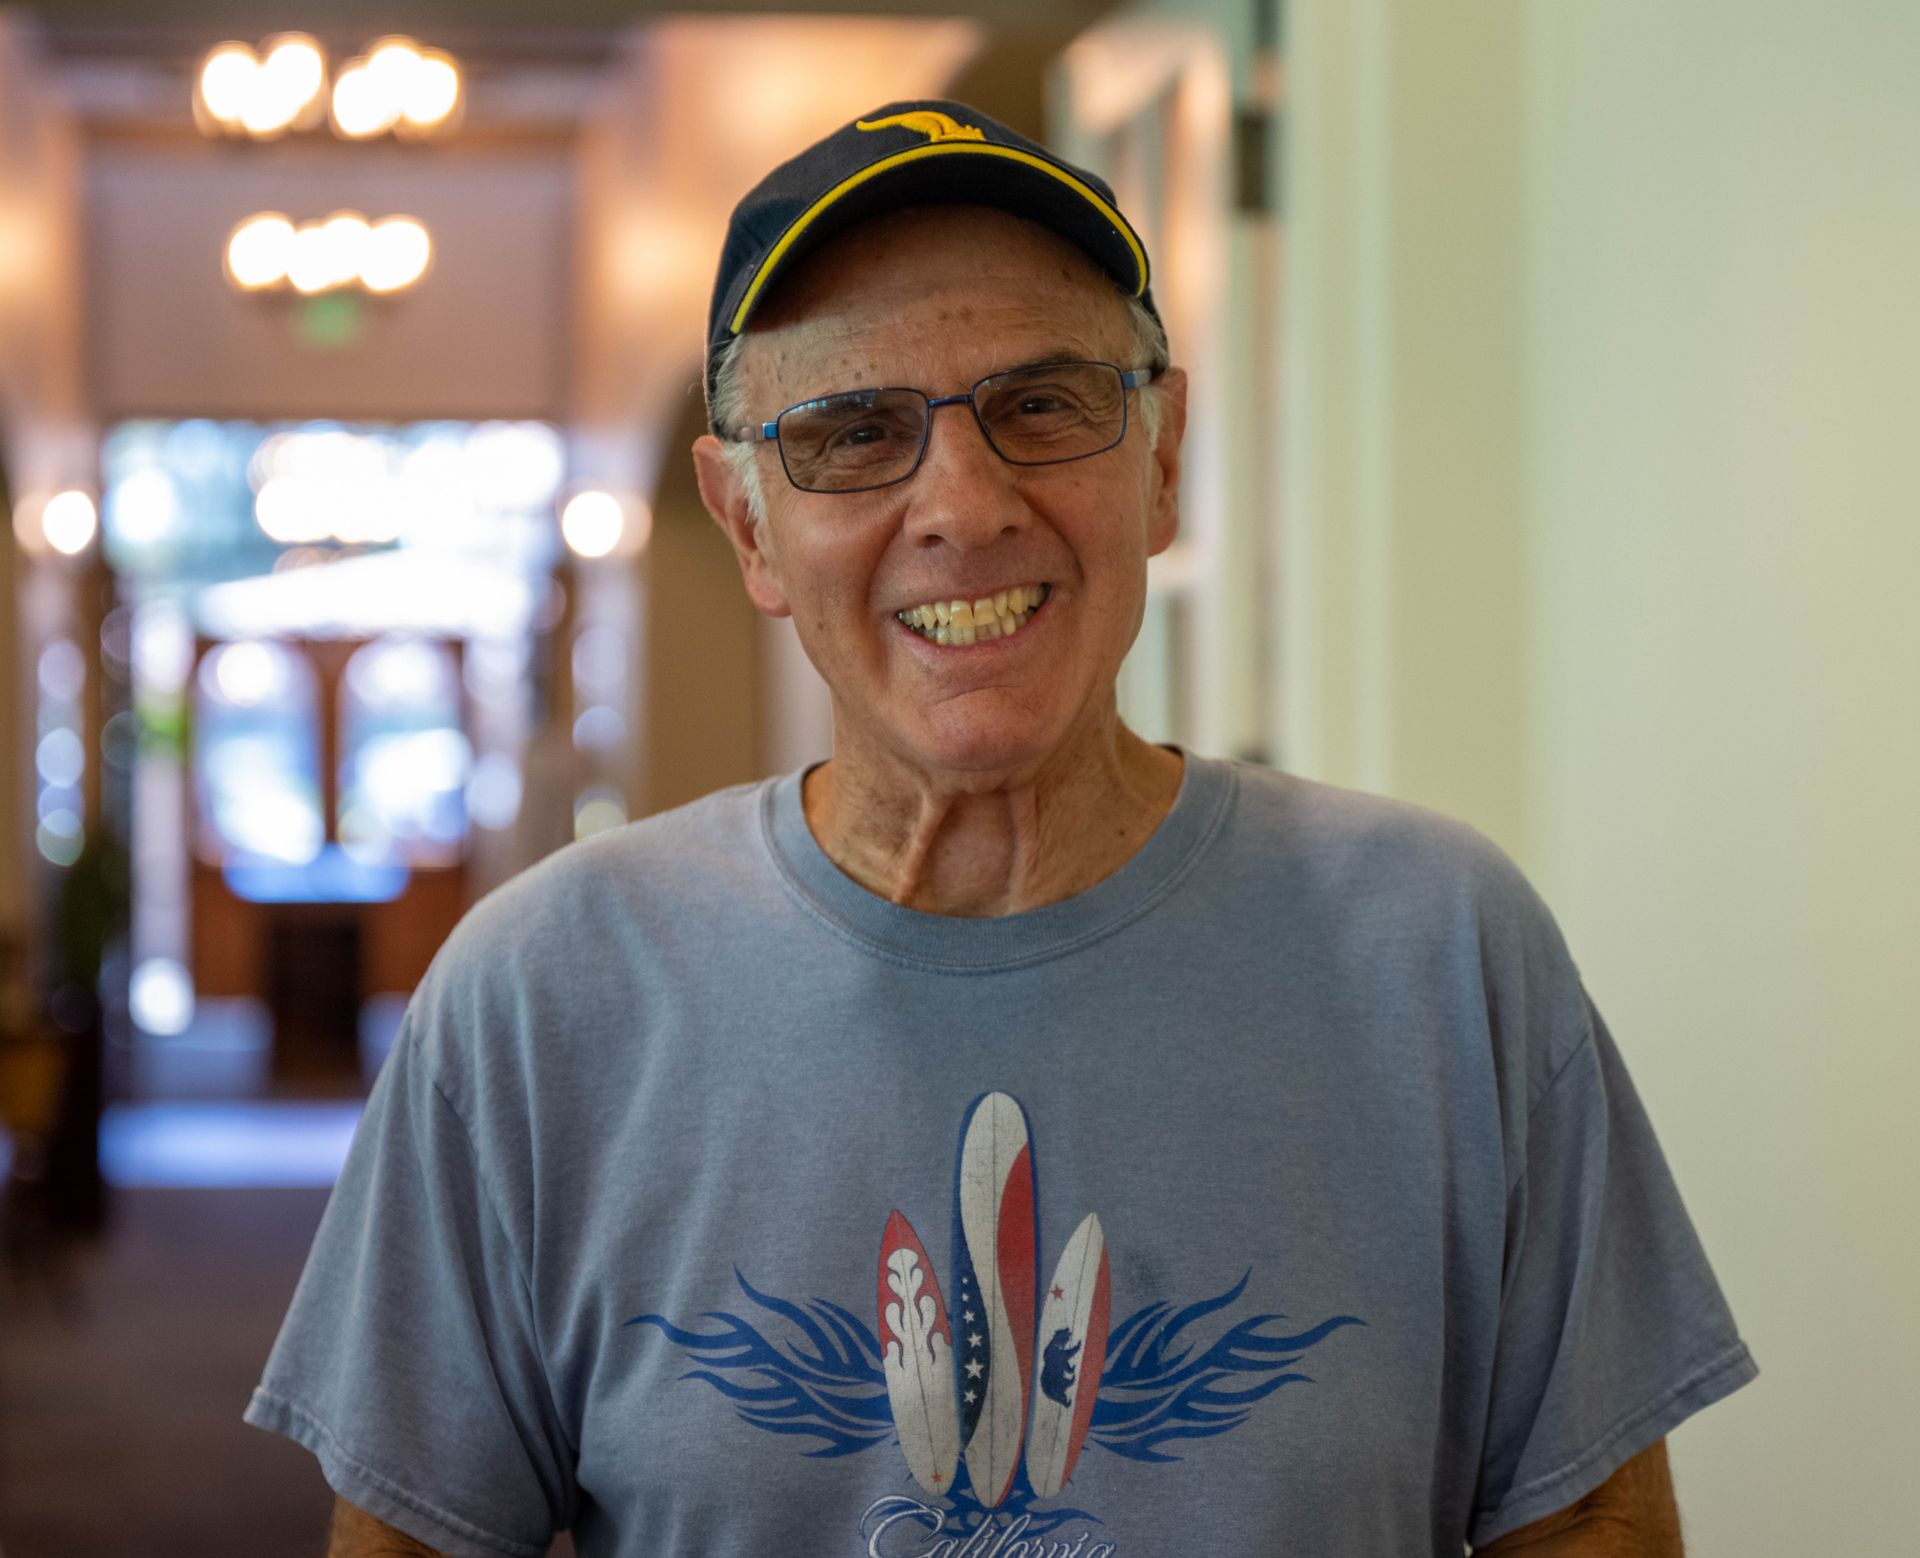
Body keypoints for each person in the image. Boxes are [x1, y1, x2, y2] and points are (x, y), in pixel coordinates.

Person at [247, 100, 1757, 1557]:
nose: (963, 503)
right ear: (747, 519)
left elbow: (1590, 1523)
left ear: (1161, 459)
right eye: (852, 431)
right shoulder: (540, 997)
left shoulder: (1441, 951)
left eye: (1043, 404)